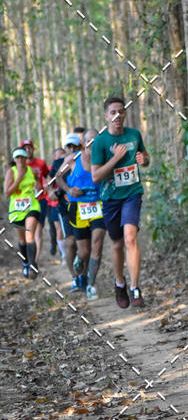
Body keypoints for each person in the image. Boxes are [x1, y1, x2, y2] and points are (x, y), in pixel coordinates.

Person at [91, 96, 149, 308]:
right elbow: (96, 177)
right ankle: (120, 283)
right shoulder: (100, 142)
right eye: (113, 112)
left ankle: (135, 287)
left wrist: (144, 159)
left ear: (124, 114)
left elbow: (145, 156)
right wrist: (115, 159)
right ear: (106, 116)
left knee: (130, 238)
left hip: (132, 194)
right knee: (116, 243)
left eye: (121, 111)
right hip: (110, 198)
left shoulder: (134, 135)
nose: (117, 116)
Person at [57, 128, 106, 299]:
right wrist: (69, 189)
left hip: (99, 206)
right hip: (77, 208)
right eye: (90, 141)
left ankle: (91, 285)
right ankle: (80, 264)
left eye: (96, 140)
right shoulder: (73, 159)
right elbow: (58, 177)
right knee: (84, 252)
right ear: (83, 143)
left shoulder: (104, 158)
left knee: (98, 244)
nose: (93, 144)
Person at [4, 147, 42, 278]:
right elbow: (7, 193)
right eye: (18, 157)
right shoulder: (11, 172)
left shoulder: (32, 171)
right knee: (22, 240)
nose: (20, 160)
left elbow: (38, 184)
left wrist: (38, 185)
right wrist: (19, 178)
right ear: (14, 159)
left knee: (29, 235)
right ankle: (25, 262)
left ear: (26, 159)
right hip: (16, 211)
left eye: (23, 157)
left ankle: (33, 265)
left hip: (32, 207)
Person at [21, 139, 49, 263]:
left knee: (38, 231)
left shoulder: (41, 163)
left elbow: (48, 177)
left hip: (40, 199)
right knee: (28, 232)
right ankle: (29, 258)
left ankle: (35, 261)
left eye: (29, 147)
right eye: (25, 148)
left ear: (33, 149)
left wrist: (48, 186)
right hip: (25, 201)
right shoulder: (19, 166)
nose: (27, 150)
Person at [47, 147, 68, 264]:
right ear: (54, 158)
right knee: (58, 229)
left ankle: (69, 252)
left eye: (63, 154)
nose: (61, 157)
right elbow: (48, 182)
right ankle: (64, 254)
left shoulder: (70, 163)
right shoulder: (52, 168)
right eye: (59, 155)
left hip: (69, 201)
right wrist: (50, 191)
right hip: (54, 203)